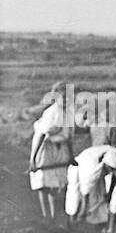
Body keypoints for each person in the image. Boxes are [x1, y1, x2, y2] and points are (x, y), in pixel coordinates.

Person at [28, 89, 72, 220]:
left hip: (57, 148)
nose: (65, 100)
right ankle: (46, 215)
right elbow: (42, 135)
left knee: (54, 182)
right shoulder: (52, 112)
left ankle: (53, 216)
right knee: (44, 183)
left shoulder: (65, 113)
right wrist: (33, 158)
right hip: (46, 148)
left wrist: (71, 155)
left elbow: (68, 137)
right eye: (63, 98)